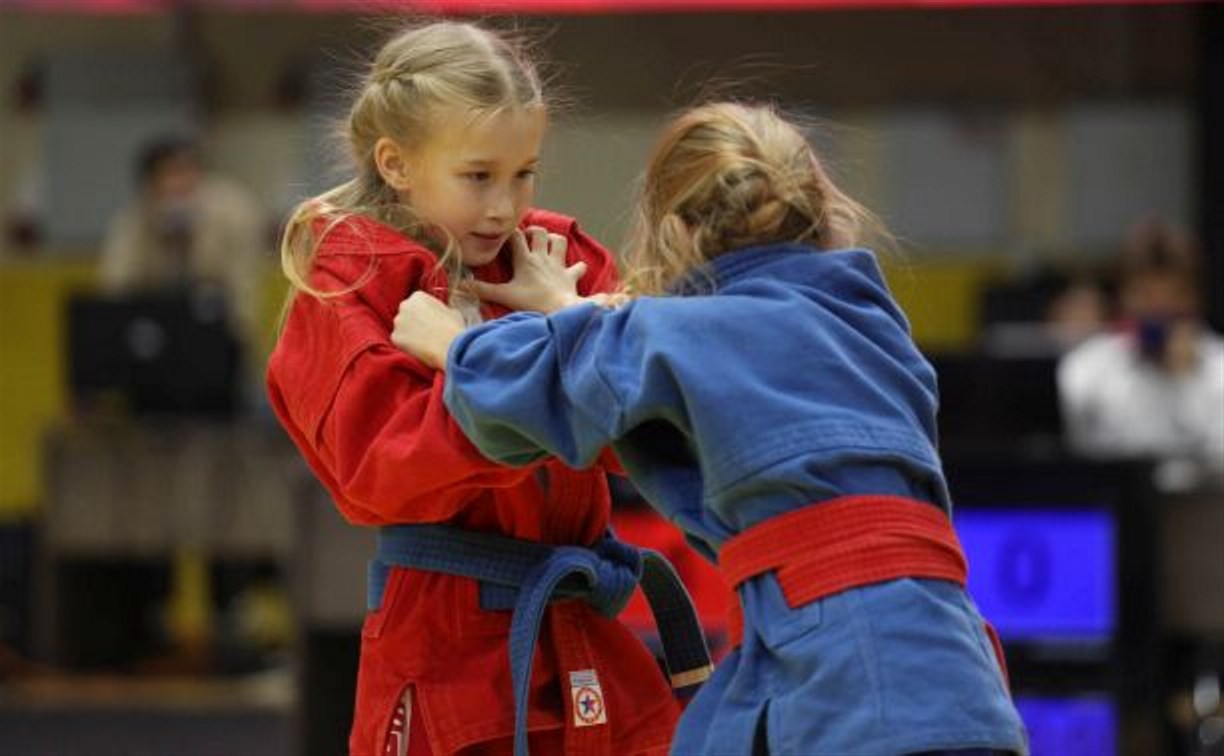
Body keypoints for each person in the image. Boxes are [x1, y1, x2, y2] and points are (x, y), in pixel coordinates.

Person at [393, 102, 1029, 755]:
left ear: (676, 233)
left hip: (849, 688)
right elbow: (719, 362)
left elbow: (539, 397)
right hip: (958, 675)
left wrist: (454, 347)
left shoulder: (666, 337)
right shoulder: (870, 319)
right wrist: (566, 308)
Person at [266, 22, 708, 756]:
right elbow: (385, 471)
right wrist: (554, 355)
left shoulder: (549, 255)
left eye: (524, 173)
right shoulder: (348, 280)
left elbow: (660, 420)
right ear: (397, 164)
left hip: (584, 629)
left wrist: (553, 321)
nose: (504, 207)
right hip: (448, 644)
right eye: (479, 177)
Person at [1058, 218, 1224, 490]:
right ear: (1122, 300)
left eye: (1175, 295)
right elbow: (1080, 467)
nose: (1160, 309)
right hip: (1117, 517)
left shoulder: (1220, 370)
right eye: (1145, 295)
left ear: (1195, 298)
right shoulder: (1085, 370)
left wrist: (1182, 381)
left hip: (1204, 519)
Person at [100, 136, 266, 350]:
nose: (179, 184)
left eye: (187, 173)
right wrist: (160, 236)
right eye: (168, 175)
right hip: (153, 337)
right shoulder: (134, 221)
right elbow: (116, 290)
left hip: (219, 338)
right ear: (150, 185)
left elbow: (243, 294)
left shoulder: (235, 212)